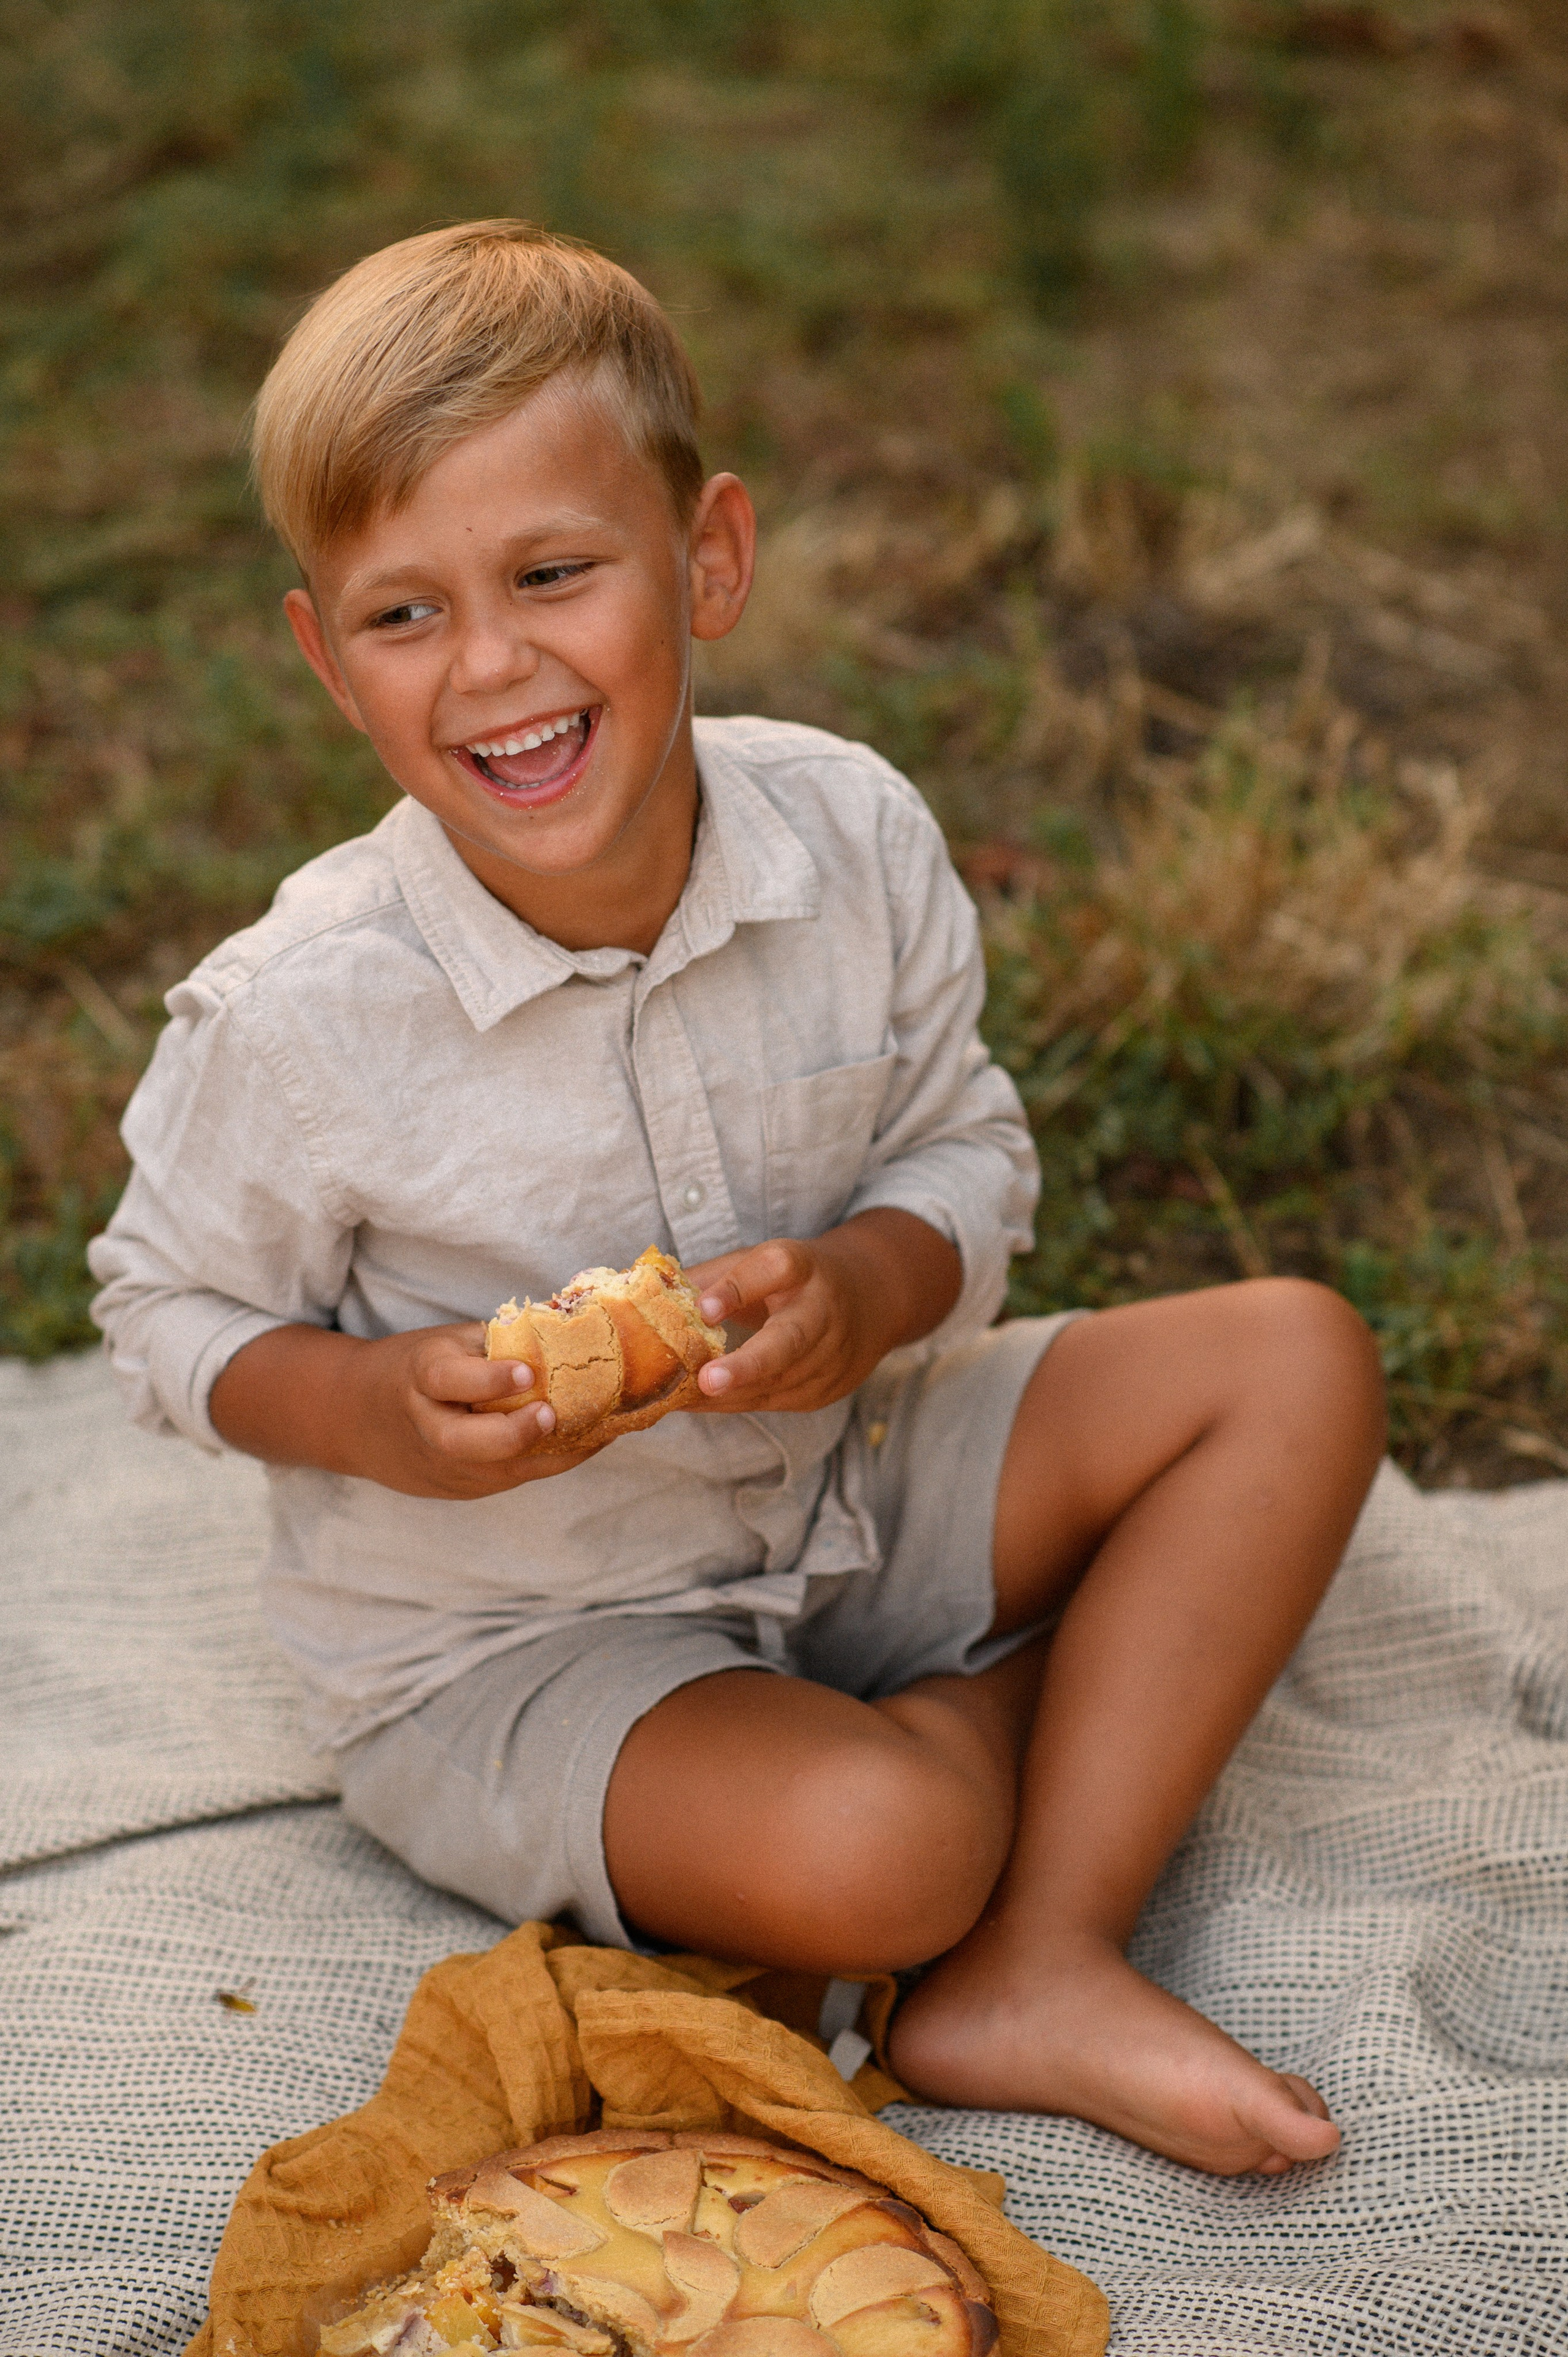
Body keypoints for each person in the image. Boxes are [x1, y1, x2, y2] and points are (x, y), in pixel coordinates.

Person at [89, 220, 1386, 2178]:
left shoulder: (851, 838)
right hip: (520, 1642)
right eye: (405, 614)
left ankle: (1035, 1956)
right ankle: (1003, 1765)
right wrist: (367, 1409)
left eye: (553, 574)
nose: (493, 664)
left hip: (853, 1478)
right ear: (328, 663)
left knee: (1292, 1360)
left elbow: (969, 1150)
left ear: (709, 559)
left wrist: (873, 1285)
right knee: (889, 1849)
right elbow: (161, 1311)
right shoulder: (302, 1016)